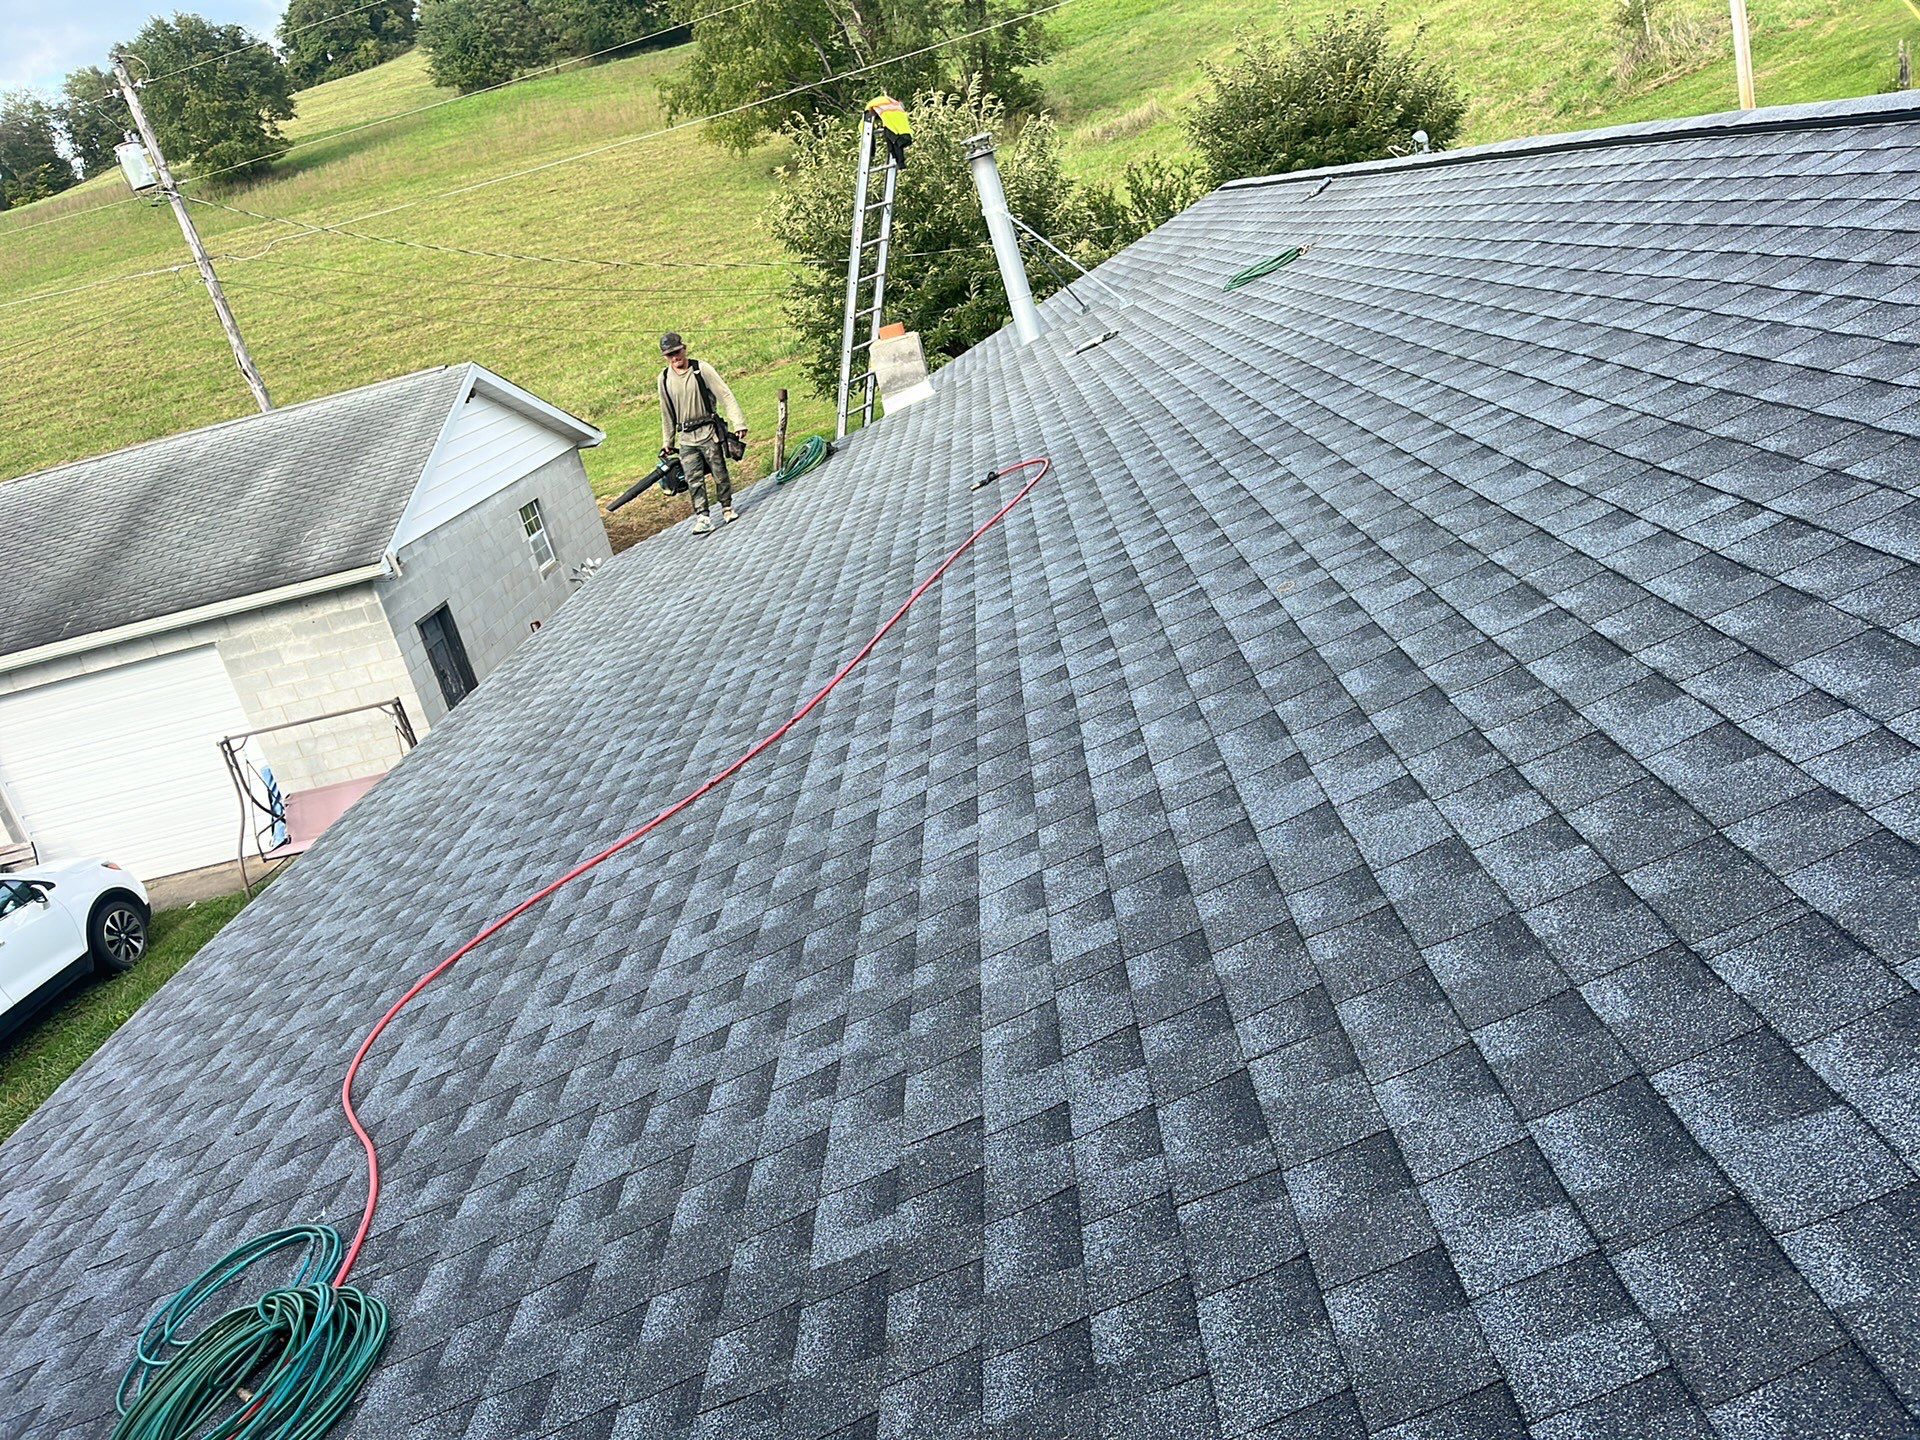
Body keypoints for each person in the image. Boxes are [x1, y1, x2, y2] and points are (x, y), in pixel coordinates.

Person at [657, 331, 748, 534]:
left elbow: (725, 394)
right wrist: (667, 442)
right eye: (670, 355)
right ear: (665, 357)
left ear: (684, 349)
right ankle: (703, 517)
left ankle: (727, 507)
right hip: (686, 438)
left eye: (677, 352)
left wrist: (739, 423)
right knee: (693, 479)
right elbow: (666, 412)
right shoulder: (664, 379)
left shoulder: (701, 369)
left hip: (708, 431)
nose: (675, 357)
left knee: (719, 472)